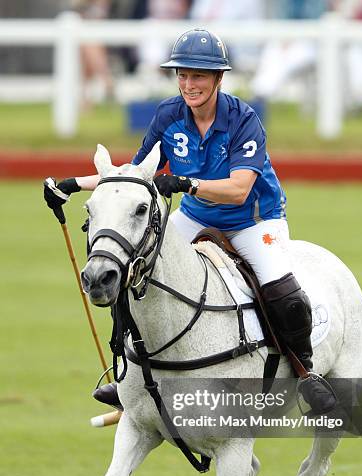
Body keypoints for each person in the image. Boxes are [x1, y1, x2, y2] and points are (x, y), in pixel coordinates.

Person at [43, 28, 335, 412]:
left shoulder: (243, 120)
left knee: (281, 289)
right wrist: (72, 184)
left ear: (218, 78)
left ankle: (305, 372)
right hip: (196, 216)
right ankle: (127, 375)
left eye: (198, 75)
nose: (189, 84)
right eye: (182, 74)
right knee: (132, 269)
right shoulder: (168, 115)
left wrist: (187, 183)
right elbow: (135, 173)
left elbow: (239, 189)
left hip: (253, 219)